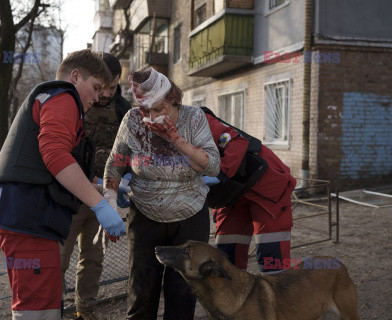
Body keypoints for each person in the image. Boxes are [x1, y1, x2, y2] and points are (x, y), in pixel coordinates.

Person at [0, 49, 126, 320]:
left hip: (28, 217)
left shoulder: (54, 100)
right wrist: (99, 205)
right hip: (28, 218)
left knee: (47, 304)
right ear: (75, 77)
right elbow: (55, 155)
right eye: (95, 87)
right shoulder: (64, 96)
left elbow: (65, 164)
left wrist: (101, 187)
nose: (97, 97)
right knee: (35, 309)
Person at [103, 67, 220, 320]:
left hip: (189, 215)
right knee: (141, 292)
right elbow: (117, 160)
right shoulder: (132, 120)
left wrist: (175, 138)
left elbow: (212, 165)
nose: (151, 116)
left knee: (183, 294)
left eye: (159, 109)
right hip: (145, 215)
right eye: (146, 110)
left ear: (172, 98)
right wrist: (109, 200)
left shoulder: (193, 117)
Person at [59, 53, 131, 320]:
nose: (105, 94)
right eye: (102, 88)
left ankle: (84, 309)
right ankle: (53, 309)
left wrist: (125, 178)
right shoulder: (74, 103)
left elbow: (129, 149)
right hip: (72, 194)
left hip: (105, 196)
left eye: (112, 88)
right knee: (59, 257)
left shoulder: (123, 109)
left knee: (93, 259)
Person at [201, 107, 296, 274]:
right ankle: (234, 296)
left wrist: (218, 174)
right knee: (226, 256)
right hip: (232, 192)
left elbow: (236, 144)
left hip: (265, 183)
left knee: (273, 260)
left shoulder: (197, 120)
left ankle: (278, 296)